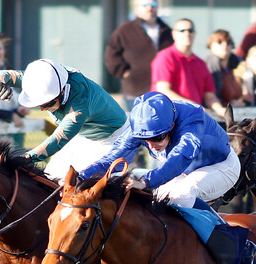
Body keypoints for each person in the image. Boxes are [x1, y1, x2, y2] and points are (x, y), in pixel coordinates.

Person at [79, 92, 239, 217]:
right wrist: (79, 178)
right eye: (144, 140)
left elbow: (180, 157)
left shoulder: (192, 118)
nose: (151, 146)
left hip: (222, 166)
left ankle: (226, 236)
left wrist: (147, 181)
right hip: (183, 171)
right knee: (157, 201)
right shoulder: (140, 127)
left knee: (181, 195)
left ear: (172, 125)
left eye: (157, 138)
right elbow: (112, 160)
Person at [0, 58, 127, 180]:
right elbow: (1, 75)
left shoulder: (79, 104)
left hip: (113, 139)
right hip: (84, 136)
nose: (42, 109)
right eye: (39, 105)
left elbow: (57, 139)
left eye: (47, 104)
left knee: (80, 185)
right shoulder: (43, 79)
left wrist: (25, 158)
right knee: (51, 176)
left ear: (61, 91)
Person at [104, 0, 173, 110]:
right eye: (145, 5)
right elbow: (111, 54)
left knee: (160, 123)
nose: (149, 8)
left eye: (153, 5)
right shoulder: (125, 30)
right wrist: (124, 72)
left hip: (162, 90)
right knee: (137, 123)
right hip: (135, 89)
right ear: (137, 9)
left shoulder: (167, 31)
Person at [151, 18, 227, 117]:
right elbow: (163, 90)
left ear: (194, 34)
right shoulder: (164, 57)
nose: (187, 34)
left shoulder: (200, 63)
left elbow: (209, 96)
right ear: (174, 34)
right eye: (182, 31)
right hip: (167, 118)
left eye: (190, 31)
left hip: (192, 118)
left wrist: (220, 109)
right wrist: (194, 106)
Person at [204, 30, 243, 108]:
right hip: (216, 113)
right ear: (211, 45)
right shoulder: (206, 65)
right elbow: (208, 96)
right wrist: (226, 104)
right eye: (220, 42)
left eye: (228, 43)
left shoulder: (238, 64)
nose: (225, 45)